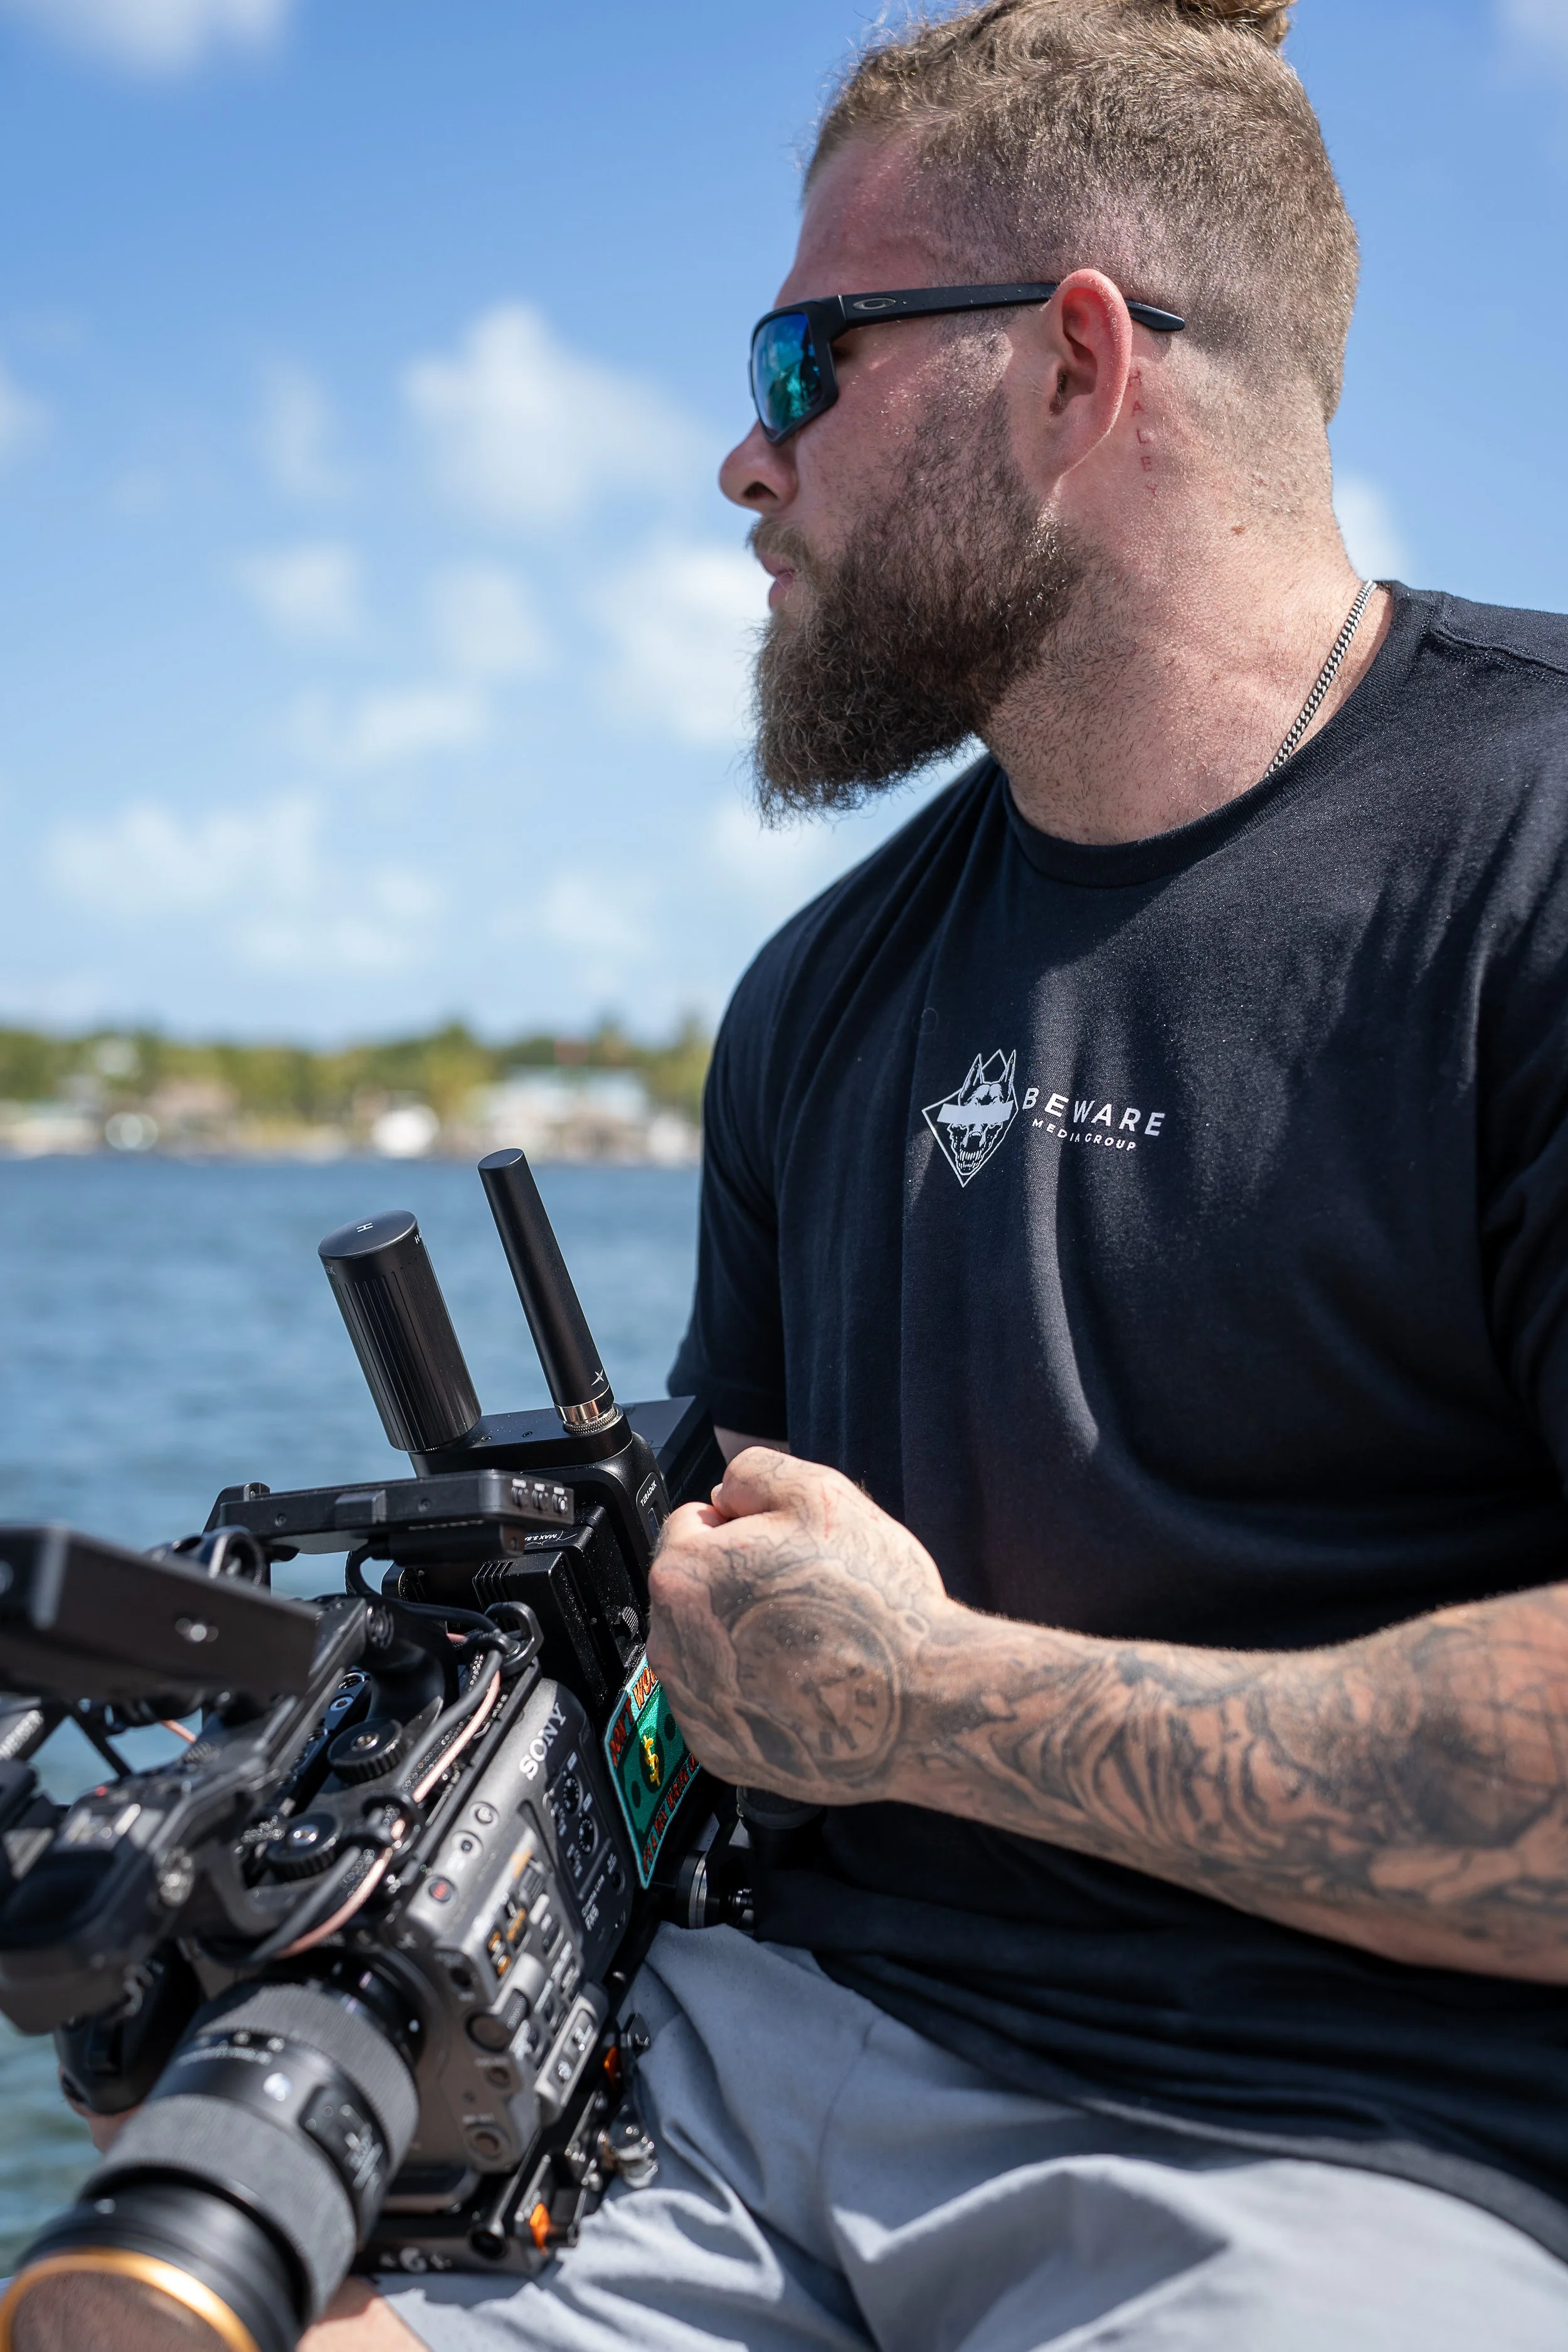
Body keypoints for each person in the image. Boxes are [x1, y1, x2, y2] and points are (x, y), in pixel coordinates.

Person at [302, 1, 1568, 2344]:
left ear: (1074, 367)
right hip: (735, 2083)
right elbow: (701, 1661)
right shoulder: (819, 992)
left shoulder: (1529, 861)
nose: (740, 460)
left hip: (1341, 2153)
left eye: (801, 365)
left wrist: (926, 1700)